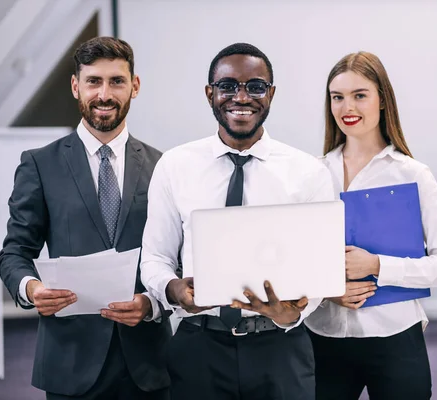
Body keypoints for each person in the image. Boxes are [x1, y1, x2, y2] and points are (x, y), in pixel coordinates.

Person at [139, 42, 334, 400]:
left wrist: (290, 313)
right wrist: (173, 289)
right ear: (209, 93)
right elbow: (155, 258)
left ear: (271, 94)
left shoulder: (308, 172)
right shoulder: (175, 165)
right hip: (199, 346)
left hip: (281, 348)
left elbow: (323, 264)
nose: (241, 96)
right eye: (228, 86)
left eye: (255, 86)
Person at [0, 36, 171, 400]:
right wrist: (32, 289)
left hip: (149, 363)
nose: (104, 94)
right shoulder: (39, 164)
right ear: (76, 86)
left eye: (116, 81)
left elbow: (178, 256)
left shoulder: (164, 166)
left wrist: (153, 304)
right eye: (94, 81)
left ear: (134, 86)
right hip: (70, 359)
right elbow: (14, 253)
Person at [304, 51, 437, 400]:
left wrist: (377, 266)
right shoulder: (311, 175)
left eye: (360, 95)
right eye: (338, 97)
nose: (347, 106)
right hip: (323, 338)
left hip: (396, 339)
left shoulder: (412, 175)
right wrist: (328, 288)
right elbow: (294, 261)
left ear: (382, 101)